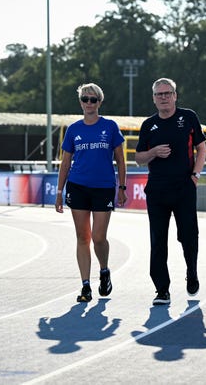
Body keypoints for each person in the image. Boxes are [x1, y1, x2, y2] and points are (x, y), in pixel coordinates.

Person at [135, 77, 206, 305]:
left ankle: (192, 272)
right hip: (157, 190)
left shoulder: (188, 117)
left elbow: (201, 148)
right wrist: (153, 152)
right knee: (158, 241)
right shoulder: (148, 125)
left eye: (168, 93)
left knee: (188, 236)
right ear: (154, 99)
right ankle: (161, 289)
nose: (164, 97)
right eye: (159, 94)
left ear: (175, 95)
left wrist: (195, 176)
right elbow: (138, 158)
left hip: (184, 187)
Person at [55, 82, 127, 303]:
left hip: (103, 187)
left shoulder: (110, 127)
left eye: (93, 99)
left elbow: (121, 160)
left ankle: (104, 270)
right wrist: (59, 191)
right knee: (82, 237)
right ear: (80, 102)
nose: (89, 103)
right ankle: (85, 285)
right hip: (78, 186)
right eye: (85, 99)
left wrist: (121, 187)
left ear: (99, 102)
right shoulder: (74, 129)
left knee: (98, 237)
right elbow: (65, 163)